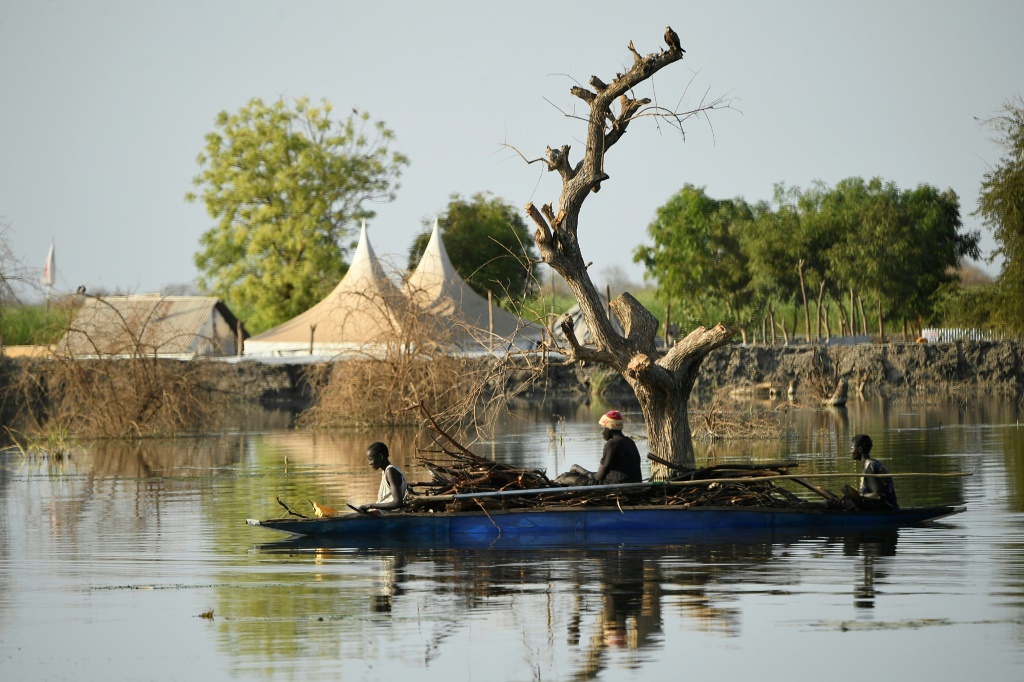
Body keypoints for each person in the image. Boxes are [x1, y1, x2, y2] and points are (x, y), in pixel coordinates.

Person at [558, 410, 643, 485]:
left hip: (617, 486)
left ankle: (558, 482)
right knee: (575, 475)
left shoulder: (612, 444)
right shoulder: (629, 442)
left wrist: (577, 468)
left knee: (565, 477)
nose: (601, 432)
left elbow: (597, 477)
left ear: (609, 428)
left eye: (602, 428)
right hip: (633, 484)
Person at [844, 434, 898, 509]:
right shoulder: (869, 464)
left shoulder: (871, 467)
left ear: (859, 449)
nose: (850, 451)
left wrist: (859, 496)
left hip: (887, 509)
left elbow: (878, 496)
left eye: (852, 448)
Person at [356, 442, 410, 513]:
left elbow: (397, 502)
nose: (369, 463)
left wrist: (369, 506)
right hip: (384, 513)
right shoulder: (387, 471)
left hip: (390, 515)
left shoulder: (390, 471)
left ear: (380, 456)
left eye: (371, 459)